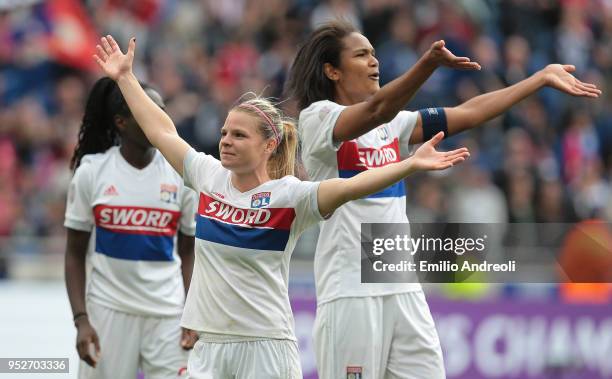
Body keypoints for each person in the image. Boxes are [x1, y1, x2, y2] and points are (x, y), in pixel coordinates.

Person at [92, 34, 470, 378]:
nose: (225, 141)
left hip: (268, 348)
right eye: (224, 132)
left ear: (269, 145)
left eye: (239, 135)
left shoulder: (292, 196)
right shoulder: (207, 176)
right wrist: (125, 77)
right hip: (209, 347)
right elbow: (162, 131)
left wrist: (410, 163)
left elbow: (354, 185)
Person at [285, 21, 601, 379]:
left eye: (374, 53)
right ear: (332, 70)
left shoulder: (394, 126)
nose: (374, 61)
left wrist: (539, 79)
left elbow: (469, 112)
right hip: (350, 290)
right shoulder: (317, 121)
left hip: (402, 285)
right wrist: (427, 65)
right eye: (361, 55)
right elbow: (377, 110)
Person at [64, 77, 199, 379]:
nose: (159, 118)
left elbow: (188, 252)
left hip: (168, 314)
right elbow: (74, 254)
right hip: (108, 312)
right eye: (149, 110)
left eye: (162, 110)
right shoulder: (92, 173)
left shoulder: (183, 175)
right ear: (122, 122)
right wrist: (81, 320)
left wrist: (194, 312)